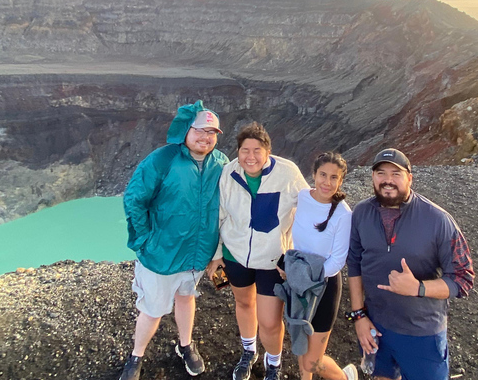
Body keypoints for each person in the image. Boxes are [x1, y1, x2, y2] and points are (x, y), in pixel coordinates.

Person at [119, 101, 229, 380]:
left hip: (196, 255)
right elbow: (135, 198)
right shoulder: (163, 159)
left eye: (212, 133)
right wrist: (144, 240)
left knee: (186, 297)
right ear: (186, 131)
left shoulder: (221, 163)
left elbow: (228, 209)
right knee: (152, 310)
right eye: (200, 131)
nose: (206, 138)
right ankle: (136, 356)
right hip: (162, 253)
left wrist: (217, 251)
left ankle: (185, 345)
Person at [346, 148, 474, 380]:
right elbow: (354, 264)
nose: (387, 180)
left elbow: (463, 278)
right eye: (381, 173)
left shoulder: (437, 220)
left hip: (421, 334)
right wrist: (358, 316)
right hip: (375, 327)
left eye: (396, 174)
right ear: (373, 177)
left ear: (409, 178)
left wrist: (418, 288)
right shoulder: (361, 213)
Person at [206, 122, 308, 380]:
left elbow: (309, 207)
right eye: (244, 150)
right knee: (243, 303)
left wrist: (294, 253)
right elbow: (219, 216)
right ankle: (248, 351)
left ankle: (273, 363)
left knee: (271, 321)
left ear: (268, 152)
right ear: (238, 151)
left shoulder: (288, 173)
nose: (250, 157)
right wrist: (217, 254)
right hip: (234, 256)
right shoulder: (229, 173)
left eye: (257, 150)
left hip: (272, 261)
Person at [286, 152, 358, 380]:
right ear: (314, 174)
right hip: (299, 282)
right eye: (323, 175)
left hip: (323, 287)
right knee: (301, 345)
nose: (327, 182)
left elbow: (337, 261)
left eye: (334, 177)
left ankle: (346, 378)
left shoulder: (344, 214)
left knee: (313, 360)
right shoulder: (303, 197)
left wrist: (306, 277)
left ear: (341, 181)